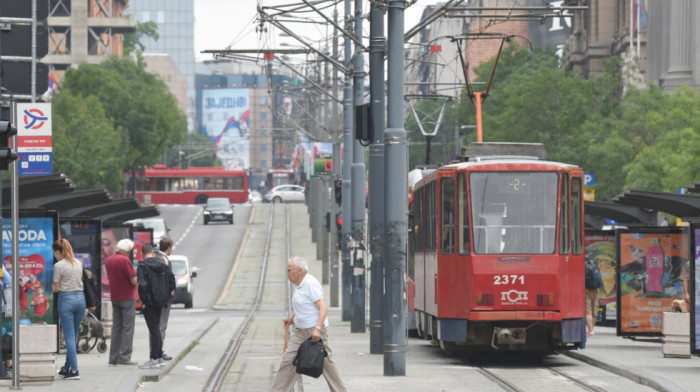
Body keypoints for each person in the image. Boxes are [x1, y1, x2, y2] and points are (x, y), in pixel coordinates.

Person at [271, 257, 347, 392]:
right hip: (301, 332)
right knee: (289, 361)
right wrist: (293, 318)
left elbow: (322, 308)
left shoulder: (310, 283)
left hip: (314, 331)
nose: (287, 274)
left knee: (326, 362)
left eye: (289, 270)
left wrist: (317, 329)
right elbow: (305, 305)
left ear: (299, 270)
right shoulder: (300, 285)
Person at [52, 238, 86, 380]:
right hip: (80, 300)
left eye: (54, 252)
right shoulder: (78, 263)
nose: (54, 254)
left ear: (58, 251)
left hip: (66, 300)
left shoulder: (59, 266)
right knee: (73, 335)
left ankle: (75, 371)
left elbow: (56, 288)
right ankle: (67, 367)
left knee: (69, 337)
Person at [137, 243, 175, 369]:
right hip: (161, 301)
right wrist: (167, 295)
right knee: (157, 328)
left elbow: (142, 285)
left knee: (153, 329)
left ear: (143, 253)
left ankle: (153, 358)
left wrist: (143, 301)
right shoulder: (162, 265)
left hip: (149, 302)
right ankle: (159, 357)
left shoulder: (142, 267)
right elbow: (171, 280)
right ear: (153, 251)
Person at [105, 239, 138, 366]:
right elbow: (133, 280)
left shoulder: (110, 260)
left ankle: (113, 358)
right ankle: (124, 357)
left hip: (115, 297)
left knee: (116, 328)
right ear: (128, 250)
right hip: (127, 297)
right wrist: (136, 271)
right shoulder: (125, 260)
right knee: (128, 328)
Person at [155, 238, 176, 361]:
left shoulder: (156, 257)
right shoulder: (165, 261)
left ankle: (157, 350)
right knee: (162, 325)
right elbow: (169, 280)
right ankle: (159, 351)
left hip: (156, 297)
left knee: (157, 325)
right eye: (171, 247)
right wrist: (170, 294)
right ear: (168, 247)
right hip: (164, 298)